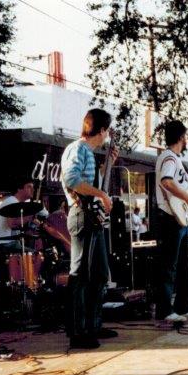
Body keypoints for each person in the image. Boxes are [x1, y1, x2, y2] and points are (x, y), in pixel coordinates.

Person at [61, 108, 119, 349]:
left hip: (90, 217)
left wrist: (107, 166)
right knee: (81, 275)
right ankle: (77, 331)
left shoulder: (87, 152)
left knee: (98, 274)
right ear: (102, 130)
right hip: (82, 215)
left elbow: (88, 182)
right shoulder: (78, 149)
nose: (107, 136)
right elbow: (72, 180)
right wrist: (102, 195)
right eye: (107, 131)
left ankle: (92, 325)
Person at [154, 120, 188, 323]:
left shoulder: (174, 158)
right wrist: (187, 197)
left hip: (180, 219)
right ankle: (164, 310)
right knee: (168, 265)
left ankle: (184, 305)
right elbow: (167, 181)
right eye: (186, 136)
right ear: (181, 137)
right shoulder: (169, 157)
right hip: (170, 217)